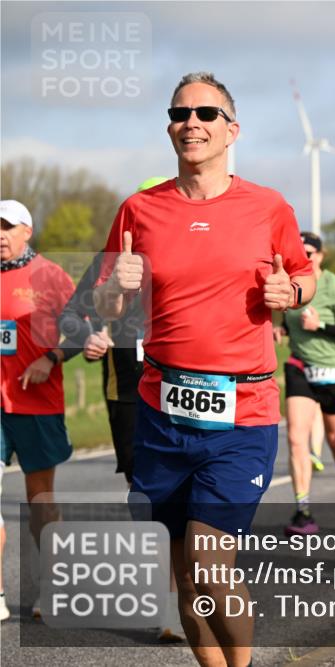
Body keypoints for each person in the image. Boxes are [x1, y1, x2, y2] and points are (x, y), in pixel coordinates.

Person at [94, 72, 315, 667]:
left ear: (231, 130)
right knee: (183, 577)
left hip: (242, 413)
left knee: (211, 565)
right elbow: (107, 306)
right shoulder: (138, 209)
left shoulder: (268, 207)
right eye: (179, 112)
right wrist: (116, 287)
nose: (190, 122)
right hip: (162, 414)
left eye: (206, 114)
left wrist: (289, 292)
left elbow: (303, 275)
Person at [57, 176, 186, 641]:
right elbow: (72, 314)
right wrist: (87, 336)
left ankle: (186, 593)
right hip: (128, 394)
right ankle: (170, 600)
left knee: (192, 498)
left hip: (189, 388)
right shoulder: (111, 260)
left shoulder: (197, 251)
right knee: (148, 499)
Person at [1, 199, 76, 620]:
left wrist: (51, 357)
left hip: (36, 403)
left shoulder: (50, 275)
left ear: (27, 231)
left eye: (7, 227)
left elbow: (84, 330)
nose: (0, 234)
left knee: (39, 500)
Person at [281, 231, 335, 536]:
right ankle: (303, 511)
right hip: (300, 367)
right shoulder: (291, 284)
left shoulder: (333, 285)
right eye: (299, 253)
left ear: (321, 255)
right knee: (296, 438)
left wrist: (321, 326)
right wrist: (282, 332)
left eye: (310, 253)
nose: (304, 258)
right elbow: (289, 322)